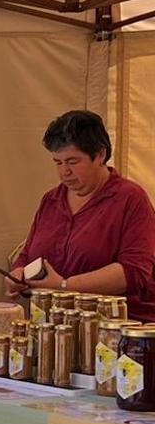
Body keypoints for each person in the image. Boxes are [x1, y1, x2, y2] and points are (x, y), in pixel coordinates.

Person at [8, 110, 155, 320]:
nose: (64, 172)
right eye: (58, 162)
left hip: (118, 331)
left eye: (73, 161)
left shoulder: (131, 199)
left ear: (100, 155)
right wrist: (18, 273)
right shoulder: (51, 200)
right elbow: (27, 255)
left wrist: (64, 286)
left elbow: (134, 272)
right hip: (56, 327)